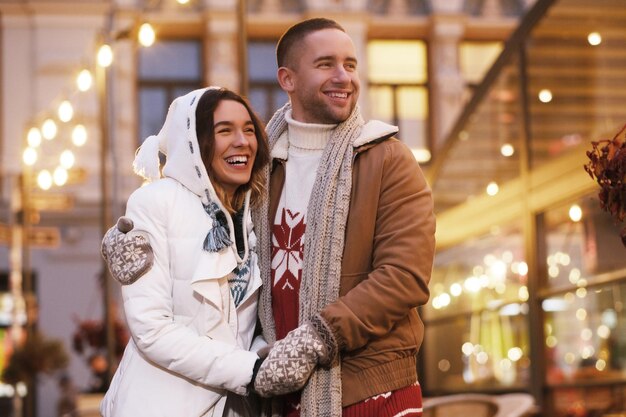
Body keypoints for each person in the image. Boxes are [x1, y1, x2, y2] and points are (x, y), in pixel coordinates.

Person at [251, 18, 436, 417]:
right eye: (326, 64)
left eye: (350, 65)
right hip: (283, 397)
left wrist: (316, 339)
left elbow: (404, 277)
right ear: (288, 78)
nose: (344, 77)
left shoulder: (388, 159)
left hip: (373, 393)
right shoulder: (263, 170)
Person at [99, 86, 270, 417]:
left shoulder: (254, 214)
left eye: (249, 130)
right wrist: (249, 370)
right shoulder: (153, 202)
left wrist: (269, 358)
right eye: (225, 131)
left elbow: (249, 328)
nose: (242, 141)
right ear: (193, 142)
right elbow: (151, 328)